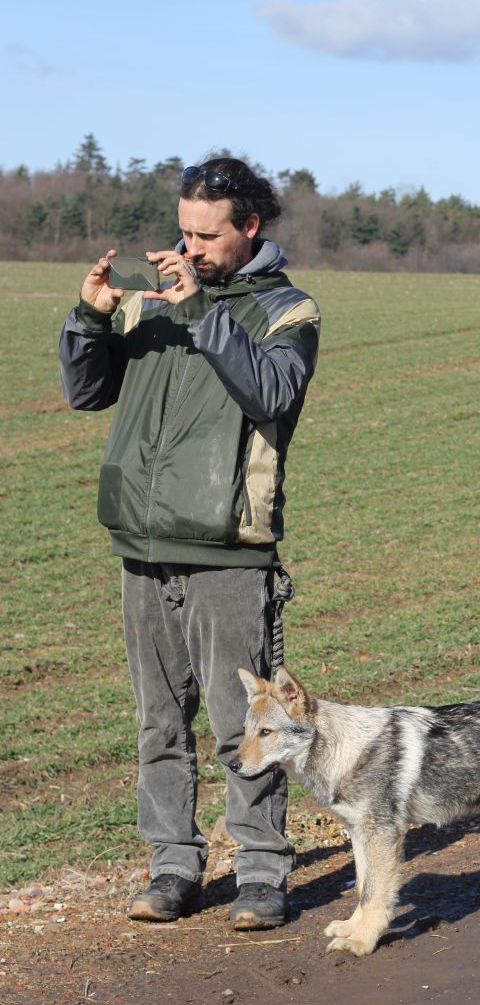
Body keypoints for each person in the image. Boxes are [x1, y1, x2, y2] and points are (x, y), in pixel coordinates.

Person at [59, 157, 321, 929]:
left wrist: (205, 310)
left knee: (245, 726)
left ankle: (263, 874)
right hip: (141, 546)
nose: (192, 247)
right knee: (158, 723)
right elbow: (85, 392)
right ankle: (173, 869)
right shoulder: (156, 302)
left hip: (229, 554)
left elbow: (272, 392)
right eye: (184, 231)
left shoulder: (288, 310)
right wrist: (91, 317)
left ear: (250, 228)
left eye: (209, 234)